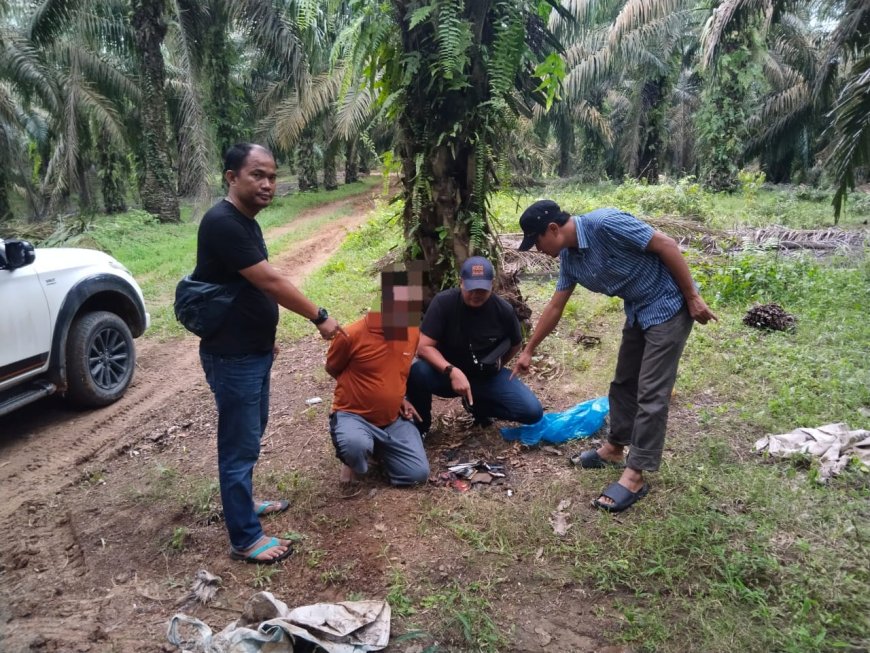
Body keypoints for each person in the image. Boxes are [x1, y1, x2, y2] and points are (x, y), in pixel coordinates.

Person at [511, 200, 717, 513]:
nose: (537, 250)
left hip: (669, 304)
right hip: (637, 310)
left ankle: (635, 475)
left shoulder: (606, 223)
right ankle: (614, 448)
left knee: (651, 392)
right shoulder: (570, 260)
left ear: (552, 229)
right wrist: (528, 350)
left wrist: (692, 297)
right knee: (623, 382)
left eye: (536, 242)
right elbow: (555, 306)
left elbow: (666, 244)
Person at [193, 143, 344, 564]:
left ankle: (245, 503)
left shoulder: (245, 222)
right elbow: (271, 282)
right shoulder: (223, 223)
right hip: (233, 357)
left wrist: (264, 337)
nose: (267, 184)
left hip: (252, 350)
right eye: (257, 175)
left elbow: (247, 287)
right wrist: (319, 316)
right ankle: (244, 536)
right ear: (231, 177)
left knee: (251, 433)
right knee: (238, 445)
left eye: (272, 176)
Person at [406, 256, 543, 436]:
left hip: (484, 376)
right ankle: (420, 426)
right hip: (445, 375)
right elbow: (423, 347)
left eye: (481, 290)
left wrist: (496, 365)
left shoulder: (503, 310)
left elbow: (515, 344)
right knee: (417, 372)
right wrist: (452, 371)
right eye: (471, 289)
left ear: (492, 285)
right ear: (461, 282)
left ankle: (479, 407)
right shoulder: (443, 303)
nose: (475, 295)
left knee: (532, 412)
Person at [325, 265, 429, 496]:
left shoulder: (412, 332)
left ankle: (380, 450)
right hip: (353, 414)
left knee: (417, 474)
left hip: (392, 419)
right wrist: (365, 391)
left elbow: (397, 371)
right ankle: (354, 454)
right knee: (354, 446)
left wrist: (399, 397)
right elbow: (332, 368)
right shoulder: (352, 334)